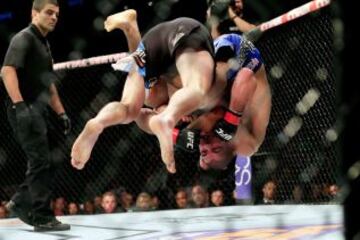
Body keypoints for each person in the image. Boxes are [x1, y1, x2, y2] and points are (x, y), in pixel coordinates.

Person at [71, 12, 225, 173]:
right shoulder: (222, 120)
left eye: (204, 152)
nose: (206, 146)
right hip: (186, 36)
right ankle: (131, 29)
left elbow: (141, 115)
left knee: (129, 109)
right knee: (199, 91)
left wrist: (171, 126)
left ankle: (99, 122)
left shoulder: (179, 128)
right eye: (214, 149)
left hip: (153, 46)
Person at [1, 0, 71, 231]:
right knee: (40, 160)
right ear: (34, 13)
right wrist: (19, 106)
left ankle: (20, 203)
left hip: (39, 108)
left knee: (48, 160)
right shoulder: (23, 38)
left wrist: (61, 113)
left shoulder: (44, 44)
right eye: (49, 13)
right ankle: (41, 216)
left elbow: (49, 84)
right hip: (24, 107)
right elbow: (7, 71)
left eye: (57, 14)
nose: (53, 18)